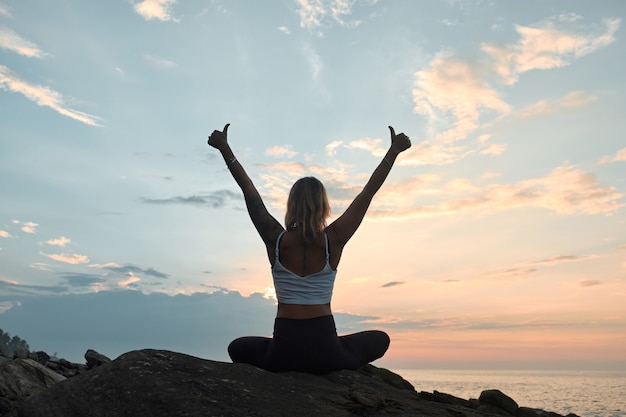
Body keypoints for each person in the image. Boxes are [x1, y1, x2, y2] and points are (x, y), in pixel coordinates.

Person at [207, 123, 411, 374]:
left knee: (237, 347)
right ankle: (333, 355)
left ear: (291, 205)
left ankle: (289, 352)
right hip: (326, 351)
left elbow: (249, 192)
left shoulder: (275, 238)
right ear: (323, 205)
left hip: (284, 352)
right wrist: (394, 152)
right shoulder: (333, 239)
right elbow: (367, 194)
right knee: (381, 338)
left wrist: (225, 149)